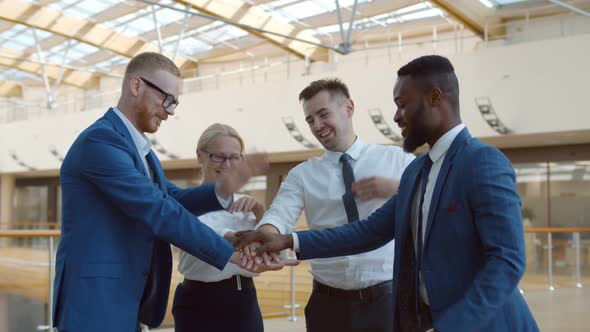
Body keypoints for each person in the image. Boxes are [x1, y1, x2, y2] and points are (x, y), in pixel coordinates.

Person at [234, 55, 540, 332]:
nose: (395, 116)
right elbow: (367, 232)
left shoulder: (481, 160)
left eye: (403, 104)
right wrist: (288, 240)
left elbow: (507, 261)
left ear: (435, 98)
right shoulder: (419, 170)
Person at [53, 52, 273, 332]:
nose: (170, 110)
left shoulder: (140, 149)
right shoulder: (101, 142)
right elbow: (157, 209)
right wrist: (230, 253)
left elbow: (173, 199)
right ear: (136, 86)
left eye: (175, 103)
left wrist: (222, 190)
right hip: (96, 301)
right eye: (166, 99)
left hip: (125, 296)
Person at [255, 78, 415, 332]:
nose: (317, 126)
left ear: (349, 108)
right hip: (327, 307)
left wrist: (395, 189)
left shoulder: (399, 160)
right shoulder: (302, 175)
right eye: (310, 120)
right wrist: (264, 237)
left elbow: (427, 201)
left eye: (323, 114)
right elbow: (278, 215)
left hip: (388, 302)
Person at [172, 123, 267, 332]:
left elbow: (272, 251)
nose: (228, 164)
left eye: (235, 157)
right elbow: (200, 234)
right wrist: (231, 237)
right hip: (198, 302)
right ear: (200, 155)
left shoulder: (248, 204)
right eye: (219, 157)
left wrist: (262, 213)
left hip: (244, 302)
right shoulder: (185, 202)